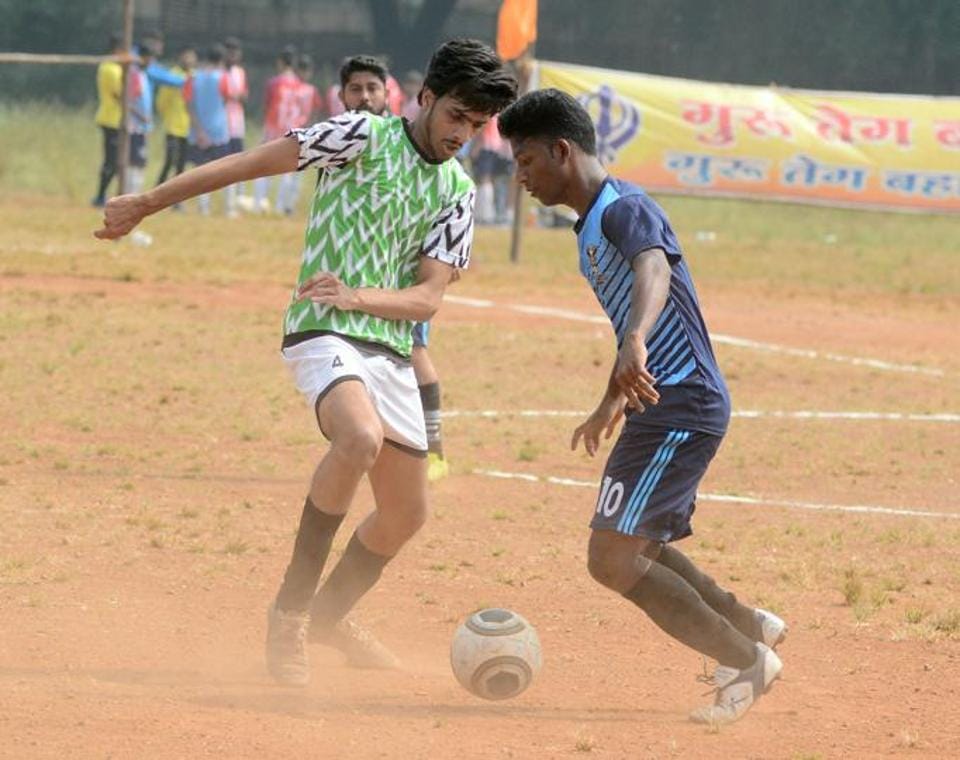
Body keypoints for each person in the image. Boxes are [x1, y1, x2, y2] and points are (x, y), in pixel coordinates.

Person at [94, 38, 517, 688]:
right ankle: (290, 612)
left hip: (387, 344)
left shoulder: (457, 191)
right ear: (426, 98)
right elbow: (249, 164)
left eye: (477, 123)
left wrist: (363, 296)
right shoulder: (359, 135)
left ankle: (329, 615)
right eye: (457, 114)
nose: (464, 133)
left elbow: (429, 294)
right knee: (358, 438)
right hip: (322, 327)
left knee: (408, 515)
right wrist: (145, 202)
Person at [498, 89, 786, 726]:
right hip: (656, 403)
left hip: (682, 405)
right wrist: (609, 400)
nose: (519, 175)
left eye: (524, 160)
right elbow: (630, 315)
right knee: (638, 547)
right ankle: (747, 625)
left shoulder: (624, 208)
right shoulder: (590, 226)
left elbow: (653, 269)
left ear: (561, 150)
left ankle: (744, 660)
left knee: (613, 558)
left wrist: (633, 339)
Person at [336, 54, 451, 480]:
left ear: (389, 94)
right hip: (355, 276)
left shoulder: (412, 141)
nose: (365, 97)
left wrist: (441, 258)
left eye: (373, 88)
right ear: (341, 96)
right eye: (355, 89)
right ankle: (376, 444)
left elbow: (444, 194)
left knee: (414, 352)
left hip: (401, 278)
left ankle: (432, 450)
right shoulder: (344, 139)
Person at [253, 47, 302, 215]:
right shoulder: (298, 84)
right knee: (287, 171)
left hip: (273, 128)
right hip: (291, 130)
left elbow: (267, 106)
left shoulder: (274, 83)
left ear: (280, 62)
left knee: (263, 166)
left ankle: (259, 203)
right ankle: (281, 207)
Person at [184, 45, 232, 216]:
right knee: (226, 170)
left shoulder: (192, 78)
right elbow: (227, 100)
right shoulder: (224, 77)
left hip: (197, 132)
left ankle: (203, 208)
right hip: (219, 131)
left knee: (201, 170)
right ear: (221, 61)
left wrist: (199, 130)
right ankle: (228, 209)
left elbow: (189, 105)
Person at [92, 33, 127, 206]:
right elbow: (120, 95)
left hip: (112, 118)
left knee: (113, 161)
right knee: (111, 161)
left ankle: (102, 195)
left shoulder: (108, 66)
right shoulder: (112, 69)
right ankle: (100, 196)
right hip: (111, 119)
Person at [155, 46, 197, 186]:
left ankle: (177, 198)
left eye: (191, 57)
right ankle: (158, 190)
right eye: (186, 56)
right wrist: (166, 116)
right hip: (173, 125)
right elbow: (162, 100)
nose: (189, 60)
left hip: (187, 127)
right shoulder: (173, 75)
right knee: (169, 161)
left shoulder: (194, 76)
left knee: (181, 164)